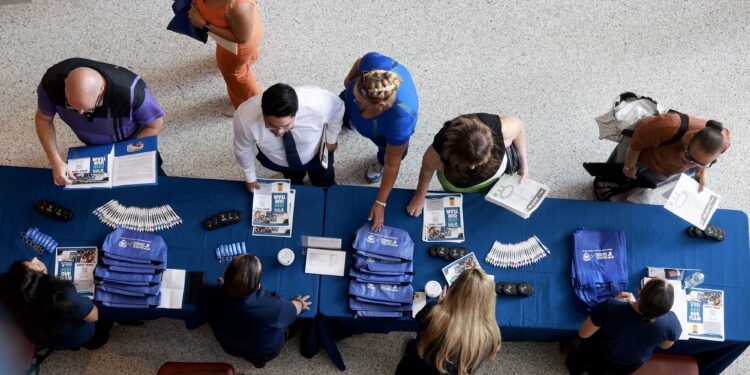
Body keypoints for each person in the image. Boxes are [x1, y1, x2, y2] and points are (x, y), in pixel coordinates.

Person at [36, 57, 166, 185]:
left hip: (130, 141)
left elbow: (155, 125)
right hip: (94, 147)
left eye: (87, 109)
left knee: (156, 185)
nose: (80, 113)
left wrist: (127, 153)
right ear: (65, 84)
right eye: (72, 106)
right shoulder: (50, 85)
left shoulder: (132, 93)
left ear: (101, 91)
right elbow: (43, 119)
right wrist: (55, 160)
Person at [341, 52, 419, 231]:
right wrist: (349, 82)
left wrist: (380, 202)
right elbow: (360, 62)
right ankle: (350, 120)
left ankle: (378, 164)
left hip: (381, 132)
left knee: (386, 154)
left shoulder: (400, 122)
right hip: (365, 107)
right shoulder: (375, 63)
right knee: (347, 107)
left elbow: (393, 163)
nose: (354, 101)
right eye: (355, 95)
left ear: (381, 106)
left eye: (360, 103)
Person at [197, 254, 311, 368]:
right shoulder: (276, 306)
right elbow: (293, 310)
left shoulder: (205, 290)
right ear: (258, 286)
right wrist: (300, 303)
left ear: (225, 275)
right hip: (264, 352)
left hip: (229, 346)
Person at [406, 113, 529, 216]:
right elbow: (426, 171)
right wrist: (419, 196)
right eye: (466, 164)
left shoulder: (501, 130)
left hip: (496, 179)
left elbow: (519, 128)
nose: (472, 168)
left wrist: (524, 166)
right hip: (456, 185)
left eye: (478, 162)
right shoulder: (438, 152)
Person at [234, 83, 343, 189]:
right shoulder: (244, 118)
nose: (279, 132)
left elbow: (338, 108)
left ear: (296, 112)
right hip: (279, 161)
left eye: (286, 125)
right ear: (262, 111)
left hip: (316, 155)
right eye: (271, 125)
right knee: (293, 181)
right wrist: (250, 178)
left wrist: (331, 138)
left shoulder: (318, 103)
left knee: (324, 178)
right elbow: (243, 149)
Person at [565, 277, 682, 375]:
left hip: (597, 356)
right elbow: (665, 346)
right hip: (628, 365)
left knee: (582, 365)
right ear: (667, 308)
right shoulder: (670, 323)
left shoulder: (610, 307)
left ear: (640, 291)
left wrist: (620, 304)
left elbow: (583, 334)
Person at [395, 268, 501, 375]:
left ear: (455, 290)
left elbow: (418, 318)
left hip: (416, 368)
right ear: (489, 300)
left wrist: (440, 305)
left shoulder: (433, 312)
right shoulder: (492, 335)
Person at [0, 257, 111, 350]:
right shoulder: (64, 296)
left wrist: (41, 278)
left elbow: (34, 293)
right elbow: (94, 316)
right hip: (73, 337)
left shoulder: (7, 286)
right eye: (34, 265)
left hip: (40, 336)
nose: (35, 259)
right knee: (103, 321)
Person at [612, 112, 730, 192]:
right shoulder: (670, 126)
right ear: (690, 138)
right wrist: (629, 167)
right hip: (642, 156)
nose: (690, 166)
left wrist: (701, 170)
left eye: (702, 162)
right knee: (615, 173)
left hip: (667, 169)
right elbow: (636, 142)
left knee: (642, 184)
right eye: (690, 158)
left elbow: (704, 157)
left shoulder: (723, 143)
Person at [189, 0, 263, 116]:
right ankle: (250, 58)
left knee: (235, 74)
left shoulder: (238, 6)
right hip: (241, 26)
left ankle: (247, 104)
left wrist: (205, 25)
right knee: (240, 62)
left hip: (237, 46)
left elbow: (241, 38)